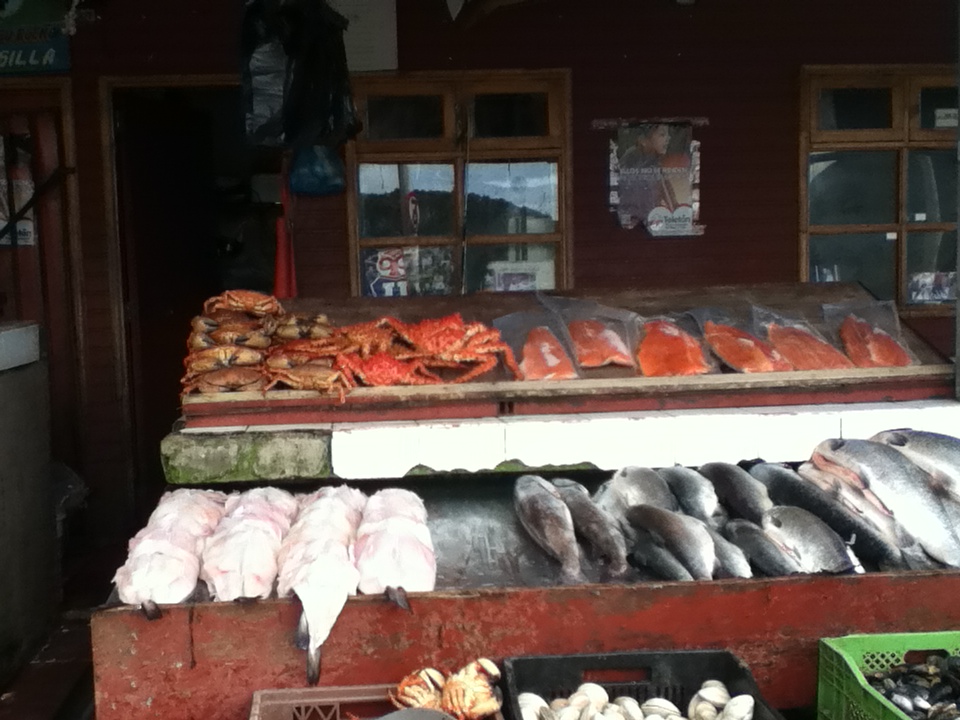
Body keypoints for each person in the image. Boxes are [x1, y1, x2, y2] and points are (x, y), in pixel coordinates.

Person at [617, 123, 678, 230]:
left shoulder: (655, 161)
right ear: (644, 140)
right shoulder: (632, 159)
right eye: (662, 135)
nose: (668, 138)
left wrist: (676, 210)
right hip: (633, 222)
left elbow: (666, 189)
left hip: (651, 220)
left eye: (668, 135)